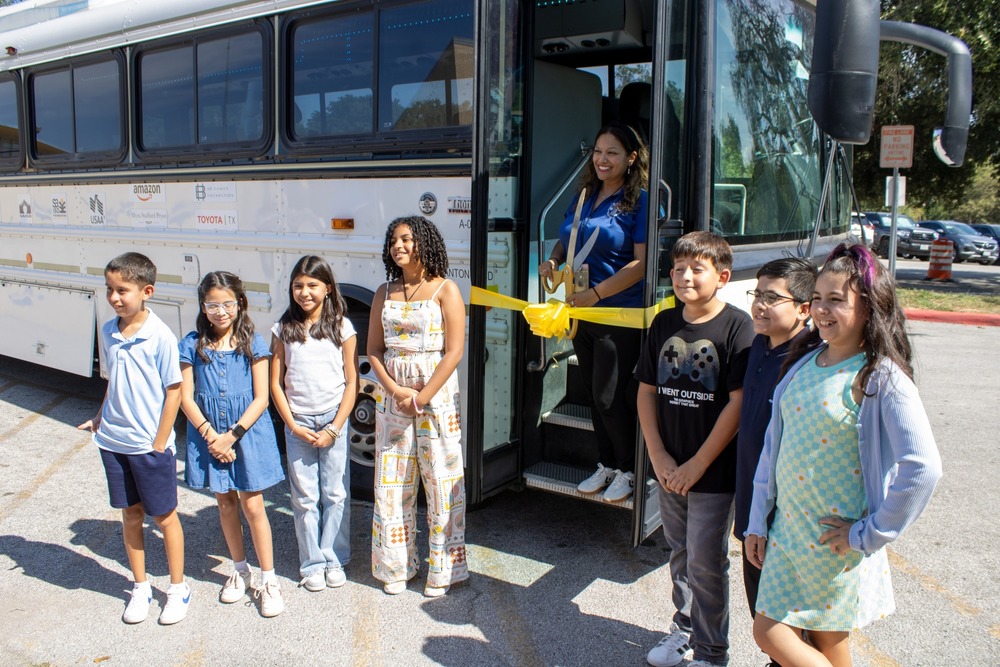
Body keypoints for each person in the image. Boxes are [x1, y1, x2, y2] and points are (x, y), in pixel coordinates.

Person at [745, 243, 942, 667]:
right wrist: (759, 520)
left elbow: (923, 467)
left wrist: (868, 533)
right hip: (789, 534)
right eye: (817, 298)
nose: (821, 309)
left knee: (769, 633)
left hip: (834, 545)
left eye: (836, 300)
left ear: (870, 307)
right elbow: (773, 451)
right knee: (829, 647)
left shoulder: (880, 375)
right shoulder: (805, 360)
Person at [636, 232, 755, 667]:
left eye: (697, 269)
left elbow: (738, 405)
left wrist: (697, 465)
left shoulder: (738, 327)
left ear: (722, 277)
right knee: (680, 551)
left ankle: (711, 652)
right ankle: (684, 630)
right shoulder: (664, 322)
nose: (686, 276)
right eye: (679, 268)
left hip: (713, 472)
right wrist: (660, 457)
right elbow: (647, 392)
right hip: (669, 468)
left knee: (707, 561)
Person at [537, 121, 650, 502]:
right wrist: (552, 262)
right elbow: (565, 238)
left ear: (631, 158)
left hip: (617, 314)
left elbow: (642, 264)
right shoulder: (585, 193)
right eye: (598, 152)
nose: (602, 160)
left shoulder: (642, 201)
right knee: (593, 394)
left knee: (609, 397)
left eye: (612, 153)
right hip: (581, 311)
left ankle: (631, 471)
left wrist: (599, 294)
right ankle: (608, 465)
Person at [77, 252, 189, 625]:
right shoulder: (109, 330)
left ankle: (177, 588)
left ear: (147, 291)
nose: (114, 298)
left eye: (122, 290)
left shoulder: (160, 337)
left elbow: (174, 391)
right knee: (131, 514)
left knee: (164, 517)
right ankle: (140, 587)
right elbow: (113, 382)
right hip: (113, 441)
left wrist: (160, 443)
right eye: (109, 289)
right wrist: (99, 417)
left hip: (148, 446)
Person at [368, 215, 467, 597]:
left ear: (425, 242)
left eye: (407, 239)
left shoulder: (446, 289)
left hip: (436, 397)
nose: (399, 246)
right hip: (393, 399)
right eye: (394, 241)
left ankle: (442, 570)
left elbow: (454, 351)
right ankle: (395, 566)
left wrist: (421, 398)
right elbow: (374, 351)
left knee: (441, 483)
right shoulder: (384, 291)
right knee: (393, 482)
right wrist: (395, 391)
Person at [179, 271, 285, 617]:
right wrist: (212, 436)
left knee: (253, 506)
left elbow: (261, 398)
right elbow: (186, 397)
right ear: (203, 306)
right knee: (225, 504)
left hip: (245, 435)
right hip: (209, 436)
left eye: (227, 304)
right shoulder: (192, 344)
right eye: (212, 304)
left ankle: (269, 580)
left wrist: (231, 436)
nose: (220, 311)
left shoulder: (252, 344)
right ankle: (239, 570)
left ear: (240, 304)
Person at [734, 258, 818, 667]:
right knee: (760, 605)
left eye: (772, 297)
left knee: (789, 619)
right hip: (752, 502)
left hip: (787, 514)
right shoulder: (757, 348)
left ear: (804, 308)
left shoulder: (811, 359)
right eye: (757, 295)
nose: (759, 305)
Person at [270, 255, 358, 593]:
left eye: (312, 285)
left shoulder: (342, 327)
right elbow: (276, 382)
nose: (304, 292)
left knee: (335, 492)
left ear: (328, 288)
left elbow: (352, 382)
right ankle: (312, 564)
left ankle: (335, 558)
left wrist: (335, 426)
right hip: (299, 422)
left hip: (333, 419)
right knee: (305, 496)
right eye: (298, 286)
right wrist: (292, 424)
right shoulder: (283, 328)